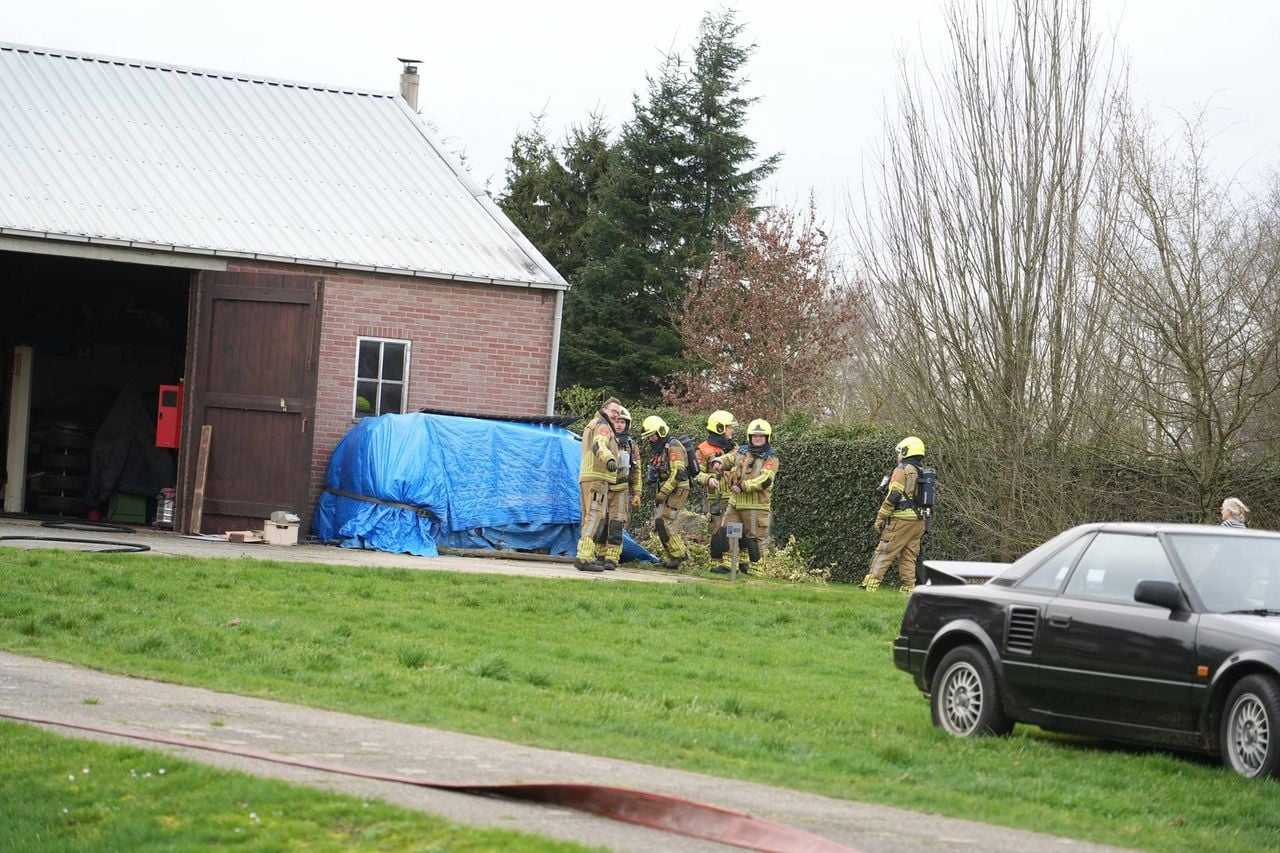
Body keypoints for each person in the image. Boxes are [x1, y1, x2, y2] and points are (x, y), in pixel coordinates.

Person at [863, 436, 928, 594]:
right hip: (919, 522)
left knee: (884, 552)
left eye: (900, 452)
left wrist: (881, 517)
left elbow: (894, 495)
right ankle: (908, 589)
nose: (898, 455)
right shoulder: (921, 471)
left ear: (906, 451)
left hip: (901, 521)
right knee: (908, 557)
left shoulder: (902, 470)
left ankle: (870, 585)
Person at [713, 418, 779, 575]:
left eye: (761, 436)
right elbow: (729, 458)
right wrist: (718, 462)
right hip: (736, 502)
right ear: (750, 437)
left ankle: (757, 570)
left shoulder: (771, 457)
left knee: (754, 539)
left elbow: (765, 480)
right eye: (755, 436)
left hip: (756, 505)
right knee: (726, 531)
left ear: (767, 438)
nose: (758, 438)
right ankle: (729, 564)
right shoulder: (742, 451)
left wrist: (743, 486)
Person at [576, 397, 624, 572]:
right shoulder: (603, 426)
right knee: (595, 516)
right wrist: (609, 458)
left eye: (618, 413)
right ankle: (584, 558)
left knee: (589, 516)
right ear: (604, 410)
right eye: (613, 411)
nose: (616, 415)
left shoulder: (593, 423)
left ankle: (586, 555)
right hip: (597, 477)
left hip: (588, 476)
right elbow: (599, 444)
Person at [641, 415, 690, 569]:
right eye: (648, 436)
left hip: (678, 489)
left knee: (666, 520)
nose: (650, 439)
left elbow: (678, 472)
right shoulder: (661, 449)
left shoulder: (673, 446)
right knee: (659, 522)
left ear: (661, 432)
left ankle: (679, 554)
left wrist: (663, 492)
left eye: (652, 435)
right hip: (668, 489)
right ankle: (670, 557)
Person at [601, 405, 642, 569]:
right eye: (617, 421)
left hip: (621, 492)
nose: (619, 425)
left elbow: (636, 471)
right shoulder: (604, 439)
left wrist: (637, 493)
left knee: (616, 525)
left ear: (627, 424)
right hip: (603, 488)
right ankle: (599, 554)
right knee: (601, 523)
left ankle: (612, 557)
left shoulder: (631, 446)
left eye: (623, 422)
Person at [696, 410, 737, 571]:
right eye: (729, 428)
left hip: (733, 498)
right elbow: (696, 473)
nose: (732, 431)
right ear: (719, 428)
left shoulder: (735, 448)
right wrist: (708, 479)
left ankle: (730, 564)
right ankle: (715, 563)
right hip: (715, 499)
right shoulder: (703, 449)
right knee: (715, 531)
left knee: (730, 531)